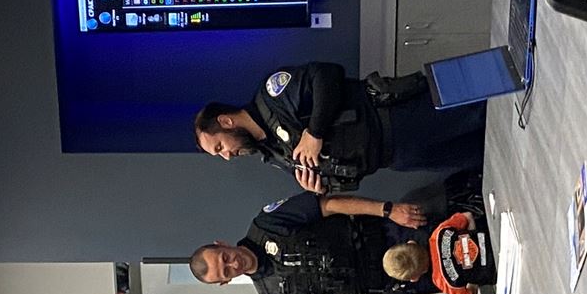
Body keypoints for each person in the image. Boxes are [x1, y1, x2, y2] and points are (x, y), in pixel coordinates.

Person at [196, 60, 485, 193]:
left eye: (219, 146)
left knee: (488, 108)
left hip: (397, 118)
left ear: (226, 121)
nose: (227, 156)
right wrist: (319, 187)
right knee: (483, 153)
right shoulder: (271, 155)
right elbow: (325, 169)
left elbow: (326, 75)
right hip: (397, 158)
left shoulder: (272, 97)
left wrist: (315, 132)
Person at [190, 192, 440, 294]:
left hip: (391, 232)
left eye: (225, 257)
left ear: (221, 243)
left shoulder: (266, 223)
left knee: (457, 234)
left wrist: (388, 210)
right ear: (225, 282)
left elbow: (329, 205)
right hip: (395, 279)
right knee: (459, 273)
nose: (233, 264)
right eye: (226, 272)